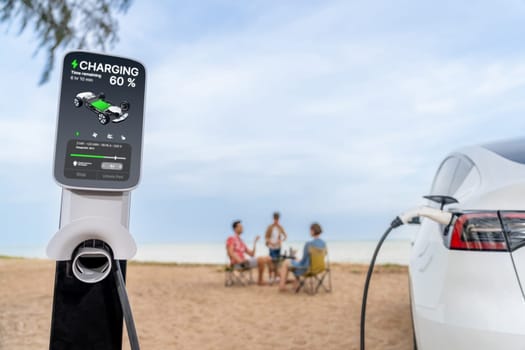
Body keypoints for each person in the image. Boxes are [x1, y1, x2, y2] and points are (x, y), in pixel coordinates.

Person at [278, 222, 326, 291]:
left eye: (310, 230)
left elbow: (303, 260)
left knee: (286, 262)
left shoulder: (309, 244)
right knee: (295, 262)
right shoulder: (323, 244)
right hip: (319, 268)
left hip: (307, 269)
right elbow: (323, 256)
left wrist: (297, 259)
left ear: (313, 231)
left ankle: (282, 286)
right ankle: (296, 285)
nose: (310, 232)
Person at [226, 220, 271, 285]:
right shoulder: (231, 238)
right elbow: (230, 252)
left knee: (268, 258)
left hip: (245, 262)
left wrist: (255, 242)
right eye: (240, 227)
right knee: (261, 259)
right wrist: (240, 261)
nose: (242, 228)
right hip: (238, 264)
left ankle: (273, 278)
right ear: (235, 229)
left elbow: (252, 254)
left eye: (242, 227)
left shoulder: (241, 241)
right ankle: (260, 281)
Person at [265, 211, 287, 282]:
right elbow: (266, 237)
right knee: (271, 262)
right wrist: (271, 243)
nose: (276, 220)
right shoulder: (270, 227)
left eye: (277, 219)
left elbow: (285, 236)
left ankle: (276, 277)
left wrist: (281, 240)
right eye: (275, 219)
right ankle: (270, 277)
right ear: (273, 219)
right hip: (271, 247)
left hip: (278, 247)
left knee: (277, 263)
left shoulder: (280, 227)